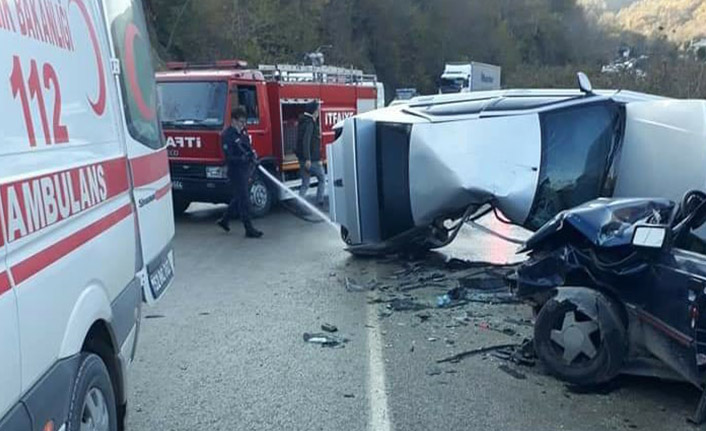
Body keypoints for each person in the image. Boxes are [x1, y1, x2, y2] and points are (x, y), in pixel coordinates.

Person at [216, 107, 263, 238]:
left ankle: (224, 220)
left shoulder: (243, 133)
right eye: (241, 122)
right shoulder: (227, 135)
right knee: (244, 200)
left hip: (246, 169)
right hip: (235, 172)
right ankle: (249, 229)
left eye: (244, 122)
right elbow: (229, 157)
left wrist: (252, 155)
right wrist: (242, 158)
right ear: (234, 120)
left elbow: (247, 147)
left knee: (239, 198)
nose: (243, 124)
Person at [296, 101, 326, 206]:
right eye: (318, 109)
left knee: (305, 183)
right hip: (312, 160)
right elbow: (306, 141)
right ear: (313, 111)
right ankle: (320, 200)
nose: (319, 111)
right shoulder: (310, 124)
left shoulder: (303, 122)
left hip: (302, 159)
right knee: (322, 178)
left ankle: (299, 204)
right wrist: (308, 158)